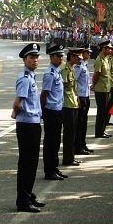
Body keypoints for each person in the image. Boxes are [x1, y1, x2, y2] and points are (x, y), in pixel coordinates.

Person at [11, 42, 45, 212]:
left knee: (32, 162)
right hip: (26, 124)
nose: (35, 60)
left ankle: (28, 194)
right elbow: (17, 103)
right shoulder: (25, 78)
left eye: (37, 57)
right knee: (27, 163)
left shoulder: (31, 76)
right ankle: (23, 200)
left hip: (33, 122)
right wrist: (15, 114)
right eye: (31, 57)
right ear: (24, 60)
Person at [41, 44, 67, 180]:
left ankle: (54, 167)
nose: (60, 58)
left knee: (56, 140)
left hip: (58, 109)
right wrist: (42, 110)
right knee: (50, 142)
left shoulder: (57, 71)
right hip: (51, 111)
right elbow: (44, 94)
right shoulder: (49, 74)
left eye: (62, 56)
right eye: (58, 56)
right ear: (51, 57)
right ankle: (49, 170)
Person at [61, 48, 81, 166]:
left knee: (73, 132)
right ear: (72, 57)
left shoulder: (72, 68)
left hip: (73, 103)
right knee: (69, 133)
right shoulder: (65, 69)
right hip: (67, 104)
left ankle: (71, 156)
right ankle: (68, 158)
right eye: (78, 57)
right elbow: (62, 88)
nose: (79, 59)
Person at [74, 45, 94, 155]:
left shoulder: (85, 64)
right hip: (80, 96)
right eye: (87, 52)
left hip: (86, 95)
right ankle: (78, 145)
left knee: (84, 122)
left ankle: (83, 143)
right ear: (82, 53)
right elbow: (75, 81)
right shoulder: (78, 66)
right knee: (80, 123)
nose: (89, 54)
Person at [91, 40, 112, 138]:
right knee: (101, 112)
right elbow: (96, 74)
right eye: (109, 48)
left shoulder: (106, 59)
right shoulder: (99, 60)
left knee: (105, 111)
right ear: (103, 49)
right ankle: (99, 132)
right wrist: (93, 85)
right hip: (101, 89)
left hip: (106, 88)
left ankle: (102, 130)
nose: (110, 50)